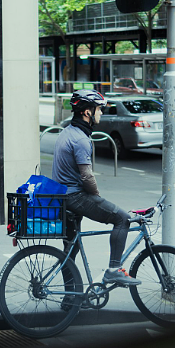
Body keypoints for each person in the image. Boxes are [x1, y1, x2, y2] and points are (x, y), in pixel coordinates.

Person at [52, 89, 141, 286]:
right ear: (87, 113)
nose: (101, 113)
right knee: (122, 218)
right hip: (75, 197)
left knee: (70, 250)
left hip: (61, 197)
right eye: (99, 109)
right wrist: (97, 197)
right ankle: (114, 269)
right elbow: (87, 176)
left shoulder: (67, 132)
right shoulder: (81, 139)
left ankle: (70, 298)